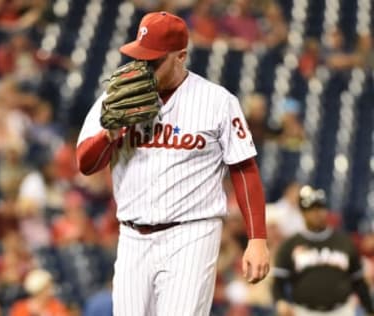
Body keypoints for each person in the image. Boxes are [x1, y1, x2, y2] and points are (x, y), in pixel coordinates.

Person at [76, 11, 269, 315]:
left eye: (154, 60)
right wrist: (112, 132)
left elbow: (244, 170)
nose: (145, 66)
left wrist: (257, 239)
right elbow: (86, 163)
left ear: (181, 56)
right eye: (140, 57)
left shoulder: (217, 101)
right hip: (131, 235)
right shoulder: (116, 98)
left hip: (192, 234)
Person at [272, 185, 374, 316]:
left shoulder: (344, 241)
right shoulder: (290, 244)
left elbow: (358, 280)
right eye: (311, 209)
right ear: (303, 213)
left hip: (341, 311)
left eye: (320, 208)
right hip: (304, 311)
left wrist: (369, 309)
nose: (317, 213)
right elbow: (279, 281)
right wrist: (280, 301)